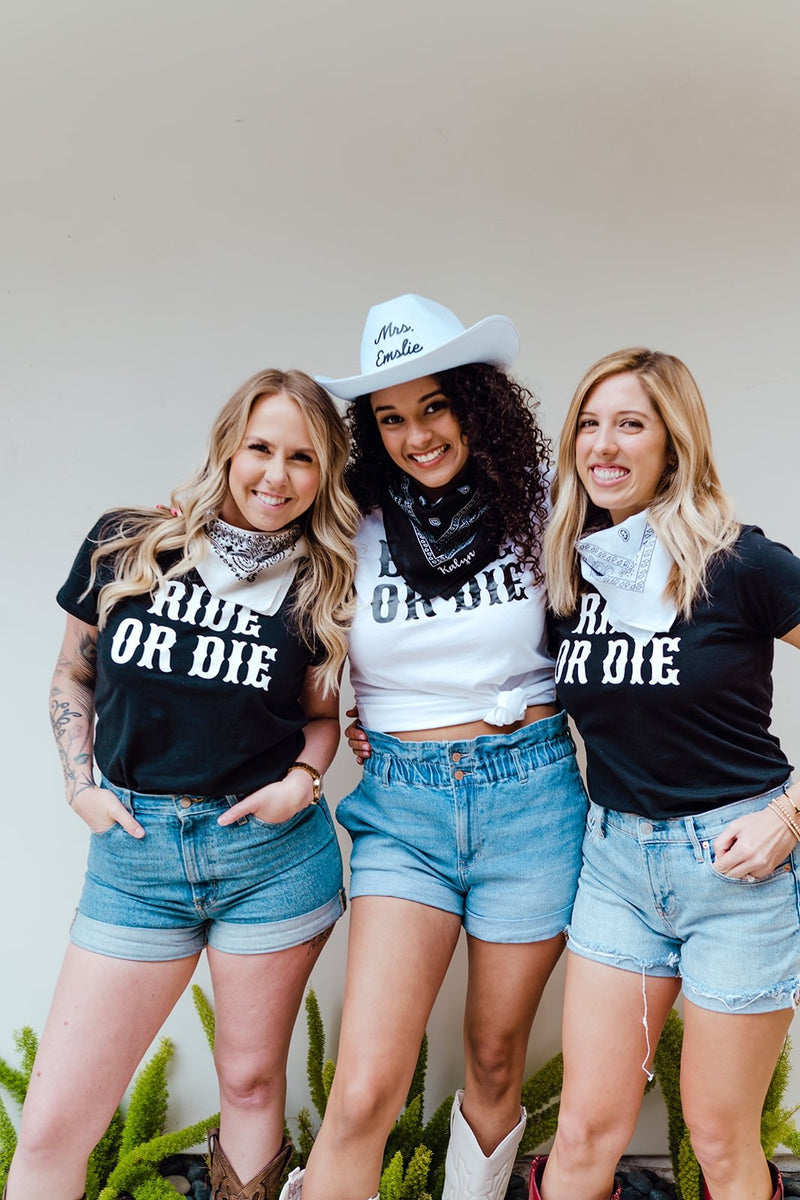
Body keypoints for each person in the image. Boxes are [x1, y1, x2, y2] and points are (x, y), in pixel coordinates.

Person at [6, 369, 359, 1200]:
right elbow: (71, 675)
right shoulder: (130, 542)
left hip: (269, 859)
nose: (276, 476)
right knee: (58, 1121)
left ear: (325, 473)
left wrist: (305, 780)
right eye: (260, 449)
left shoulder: (322, 583)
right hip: (136, 862)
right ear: (228, 448)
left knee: (249, 1086)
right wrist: (77, 781)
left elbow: (317, 718)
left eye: (302, 459)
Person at [281, 295, 589, 1200]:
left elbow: (651, 562)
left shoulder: (543, 501)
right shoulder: (345, 518)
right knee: (367, 1082)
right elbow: (243, 531)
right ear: (369, 431)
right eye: (390, 417)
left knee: (495, 1060)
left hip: (532, 795)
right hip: (405, 807)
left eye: (434, 406)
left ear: (473, 402)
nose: (416, 435)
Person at [535, 349, 800, 1200]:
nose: (602, 445)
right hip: (614, 865)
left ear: (673, 443)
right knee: (583, 1131)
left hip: (736, 868)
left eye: (630, 423)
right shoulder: (575, 569)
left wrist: (790, 818)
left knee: (722, 1143)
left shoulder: (742, 563)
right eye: (588, 422)